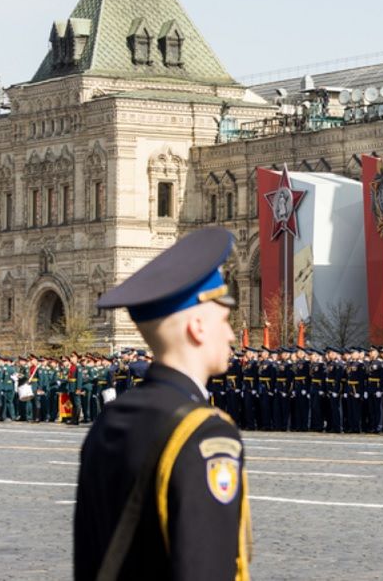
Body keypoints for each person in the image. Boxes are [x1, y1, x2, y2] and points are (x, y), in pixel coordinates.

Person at [74, 227, 251, 581]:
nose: (232, 334)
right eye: (226, 320)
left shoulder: (111, 420)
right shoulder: (204, 434)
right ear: (197, 327)